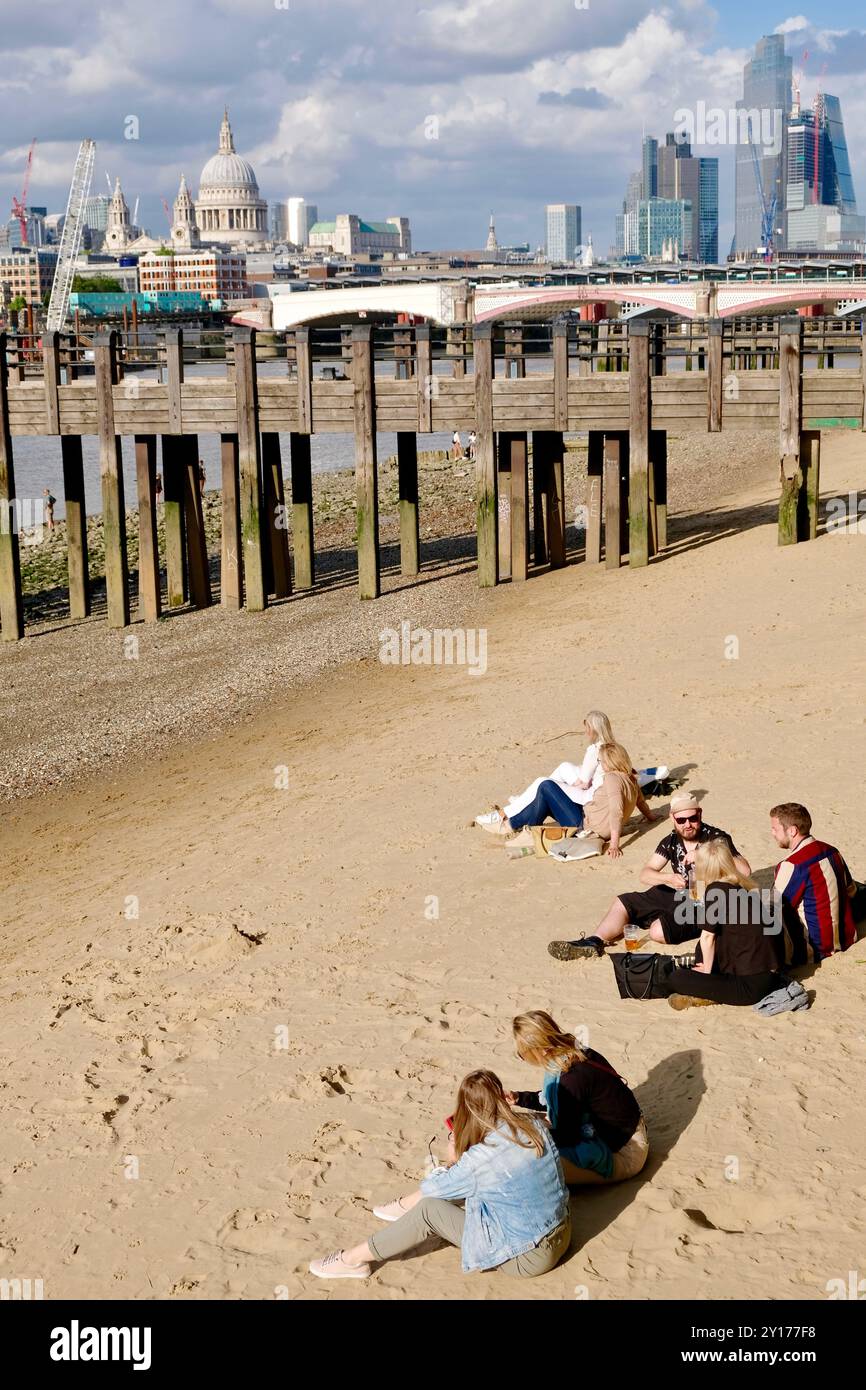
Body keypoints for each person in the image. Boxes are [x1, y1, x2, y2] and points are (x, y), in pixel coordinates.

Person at [308, 1070, 571, 1282]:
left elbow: (434, 1190)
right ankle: (398, 1211)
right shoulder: (533, 1125)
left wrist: (453, 1157)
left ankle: (353, 1260)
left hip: (527, 1257)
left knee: (429, 1210)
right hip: (562, 1232)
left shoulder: (478, 1160)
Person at [548, 791, 752, 959]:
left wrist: (704, 856)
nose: (687, 824)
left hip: (709, 900)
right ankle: (594, 942)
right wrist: (669, 878)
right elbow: (645, 874)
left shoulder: (716, 838)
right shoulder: (671, 841)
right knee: (624, 901)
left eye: (693, 818)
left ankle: (704, 926)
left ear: (700, 814)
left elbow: (744, 870)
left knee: (657, 932)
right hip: (681, 893)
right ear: (673, 818)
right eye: (681, 819)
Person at [509, 1012, 649, 1184]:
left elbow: (567, 1135)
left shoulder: (571, 1078)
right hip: (625, 1132)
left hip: (627, 1152)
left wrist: (529, 1134)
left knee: (533, 1162)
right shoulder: (575, 1052)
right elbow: (558, 1100)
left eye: (523, 1054)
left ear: (541, 1049)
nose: (524, 1059)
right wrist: (519, 1098)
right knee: (522, 1127)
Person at [476, 710, 658, 835]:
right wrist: (650, 816)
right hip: (593, 800)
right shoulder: (616, 750)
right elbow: (635, 793)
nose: (585, 731)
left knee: (544, 784)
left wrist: (563, 788)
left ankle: (507, 817)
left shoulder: (597, 751)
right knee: (553, 781)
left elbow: (587, 784)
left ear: (593, 729)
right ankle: (524, 810)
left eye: (587, 727)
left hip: (588, 807)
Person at [665, 839, 786, 1010]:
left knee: (676, 978)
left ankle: (706, 995)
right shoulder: (740, 888)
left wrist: (706, 972)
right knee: (704, 948)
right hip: (769, 973)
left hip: (750, 986)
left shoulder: (716, 891)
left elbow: (708, 938)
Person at [770, 803, 857, 964]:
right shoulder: (832, 851)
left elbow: (773, 911)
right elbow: (851, 891)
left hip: (815, 949)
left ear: (792, 831)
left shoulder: (792, 865)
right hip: (847, 937)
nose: (772, 833)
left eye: (775, 828)